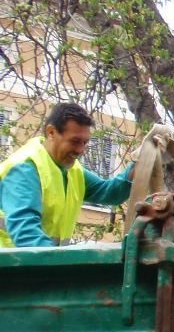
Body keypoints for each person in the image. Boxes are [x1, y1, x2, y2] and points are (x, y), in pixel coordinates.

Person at [0, 102, 133, 247]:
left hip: (34, 265)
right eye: (75, 141)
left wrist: (141, 163)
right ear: (51, 132)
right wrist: (57, 266)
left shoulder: (71, 170)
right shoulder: (24, 170)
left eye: (85, 142)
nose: (81, 150)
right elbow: (27, 235)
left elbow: (110, 193)